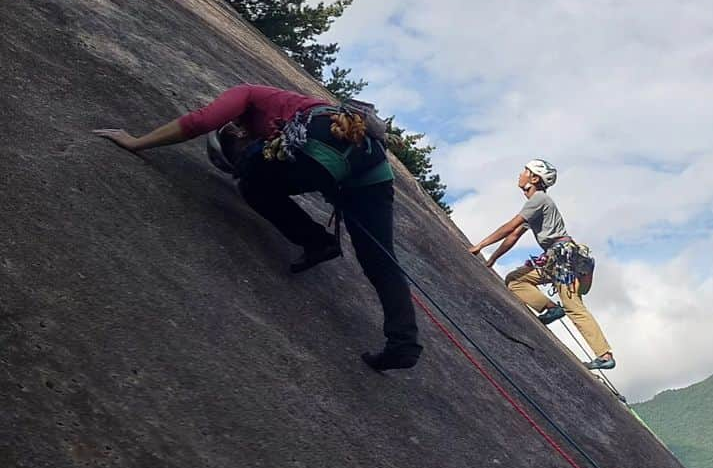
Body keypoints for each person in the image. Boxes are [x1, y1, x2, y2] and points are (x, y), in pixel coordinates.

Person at [93, 83, 422, 371]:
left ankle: (318, 242)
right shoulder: (291, 106)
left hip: (319, 153)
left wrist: (137, 142)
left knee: (252, 182)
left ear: (233, 126)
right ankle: (403, 343)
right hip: (370, 169)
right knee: (380, 259)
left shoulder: (247, 94)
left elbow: (201, 121)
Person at [469, 159, 615, 371]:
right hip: (555, 257)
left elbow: (511, 225)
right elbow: (514, 235)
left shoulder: (539, 199)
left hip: (563, 257)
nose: (521, 173)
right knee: (515, 280)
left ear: (534, 179)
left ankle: (605, 355)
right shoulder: (536, 204)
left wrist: (481, 245)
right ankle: (550, 308)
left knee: (574, 306)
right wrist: (493, 258)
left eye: (526, 171)